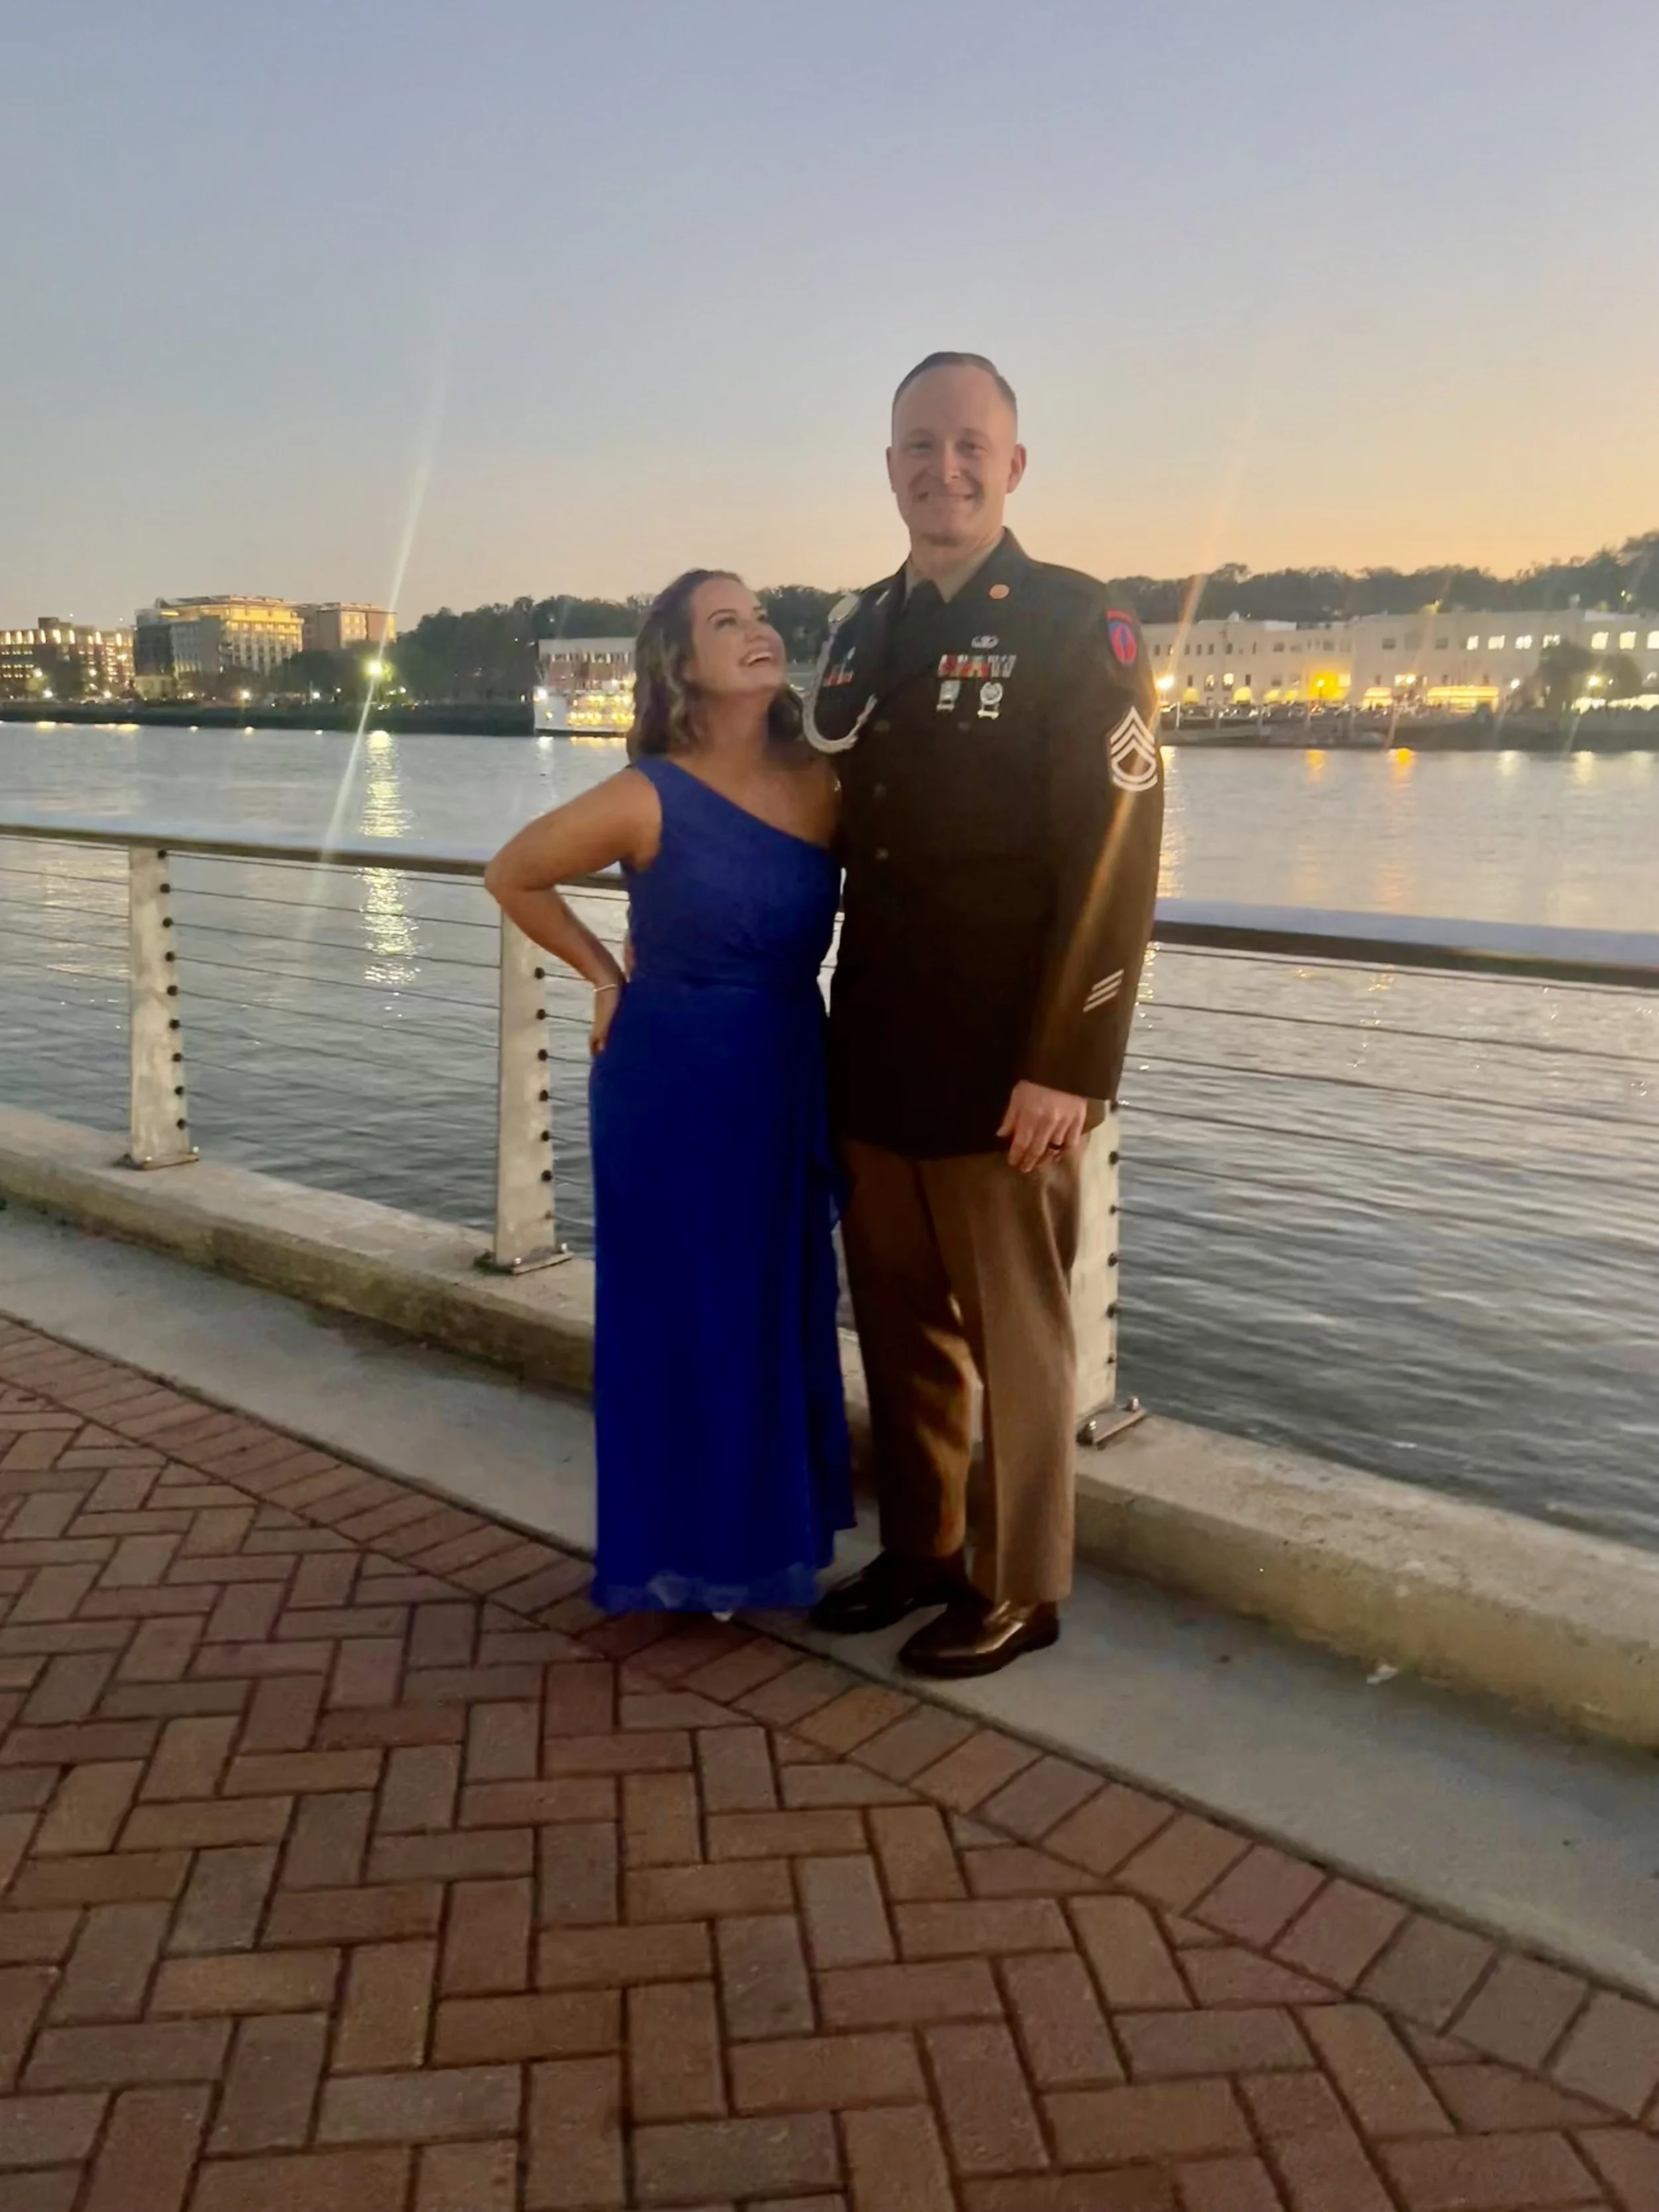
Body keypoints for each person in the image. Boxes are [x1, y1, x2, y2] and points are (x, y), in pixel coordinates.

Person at [807, 351, 1164, 1678]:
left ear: (1012, 467)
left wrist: (1067, 1064)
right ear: (886, 462)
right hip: (876, 1046)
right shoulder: (861, 628)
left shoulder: (1079, 626)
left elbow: (1115, 857)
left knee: (1017, 1340)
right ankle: (921, 1546)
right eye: (915, 445)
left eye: (967, 447)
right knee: (896, 1325)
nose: (939, 470)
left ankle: (1020, 1584)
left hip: (1009, 1061)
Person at [485, 571, 853, 1613]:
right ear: (682, 666)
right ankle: (687, 1553)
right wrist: (606, 975)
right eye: (723, 623)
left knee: (777, 1307)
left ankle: (763, 1540)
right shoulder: (648, 792)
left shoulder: (828, 783)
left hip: (784, 1067)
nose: (756, 632)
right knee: (688, 1315)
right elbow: (513, 873)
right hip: (673, 1083)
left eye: (760, 616)